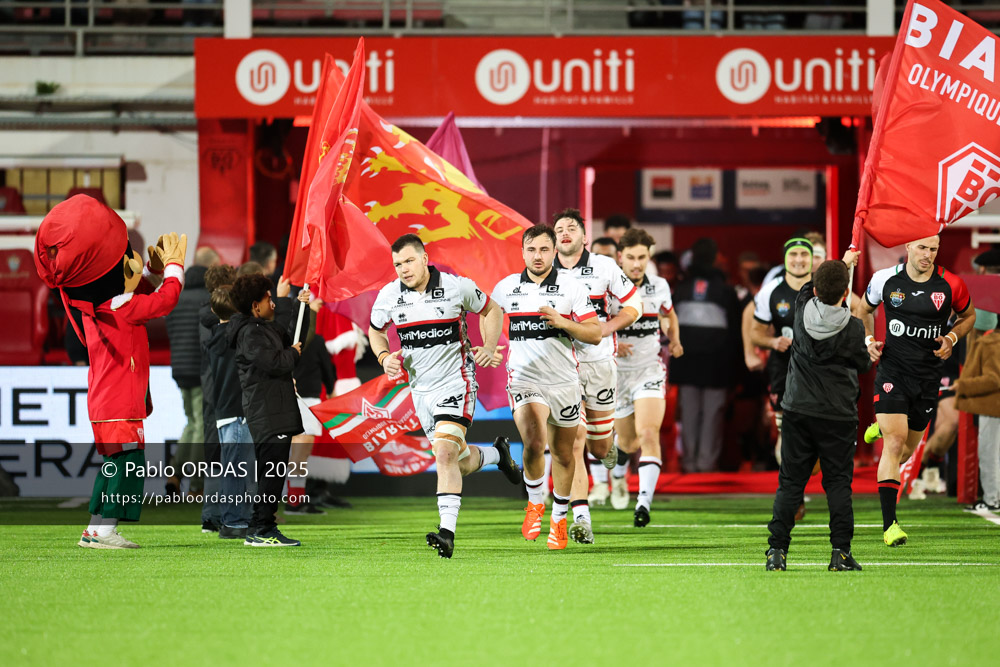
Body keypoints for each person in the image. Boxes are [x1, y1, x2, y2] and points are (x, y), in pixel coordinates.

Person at [369, 234, 521, 559]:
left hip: (457, 382)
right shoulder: (388, 296)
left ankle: (447, 534)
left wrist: (490, 347)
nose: (404, 269)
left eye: (409, 261)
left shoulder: (456, 287)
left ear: (425, 258)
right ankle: (497, 455)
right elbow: (376, 329)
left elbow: (492, 310)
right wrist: (384, 357)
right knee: (458, 462)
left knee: (445, 454)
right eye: (398, 264)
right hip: (420, 391)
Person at [858, 235, 975, 547]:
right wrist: (869, 342)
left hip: (928, 378)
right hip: (893, 371)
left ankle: (878, 428)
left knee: (906, 452)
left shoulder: (951, 284)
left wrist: (951, 339)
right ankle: (890, 524)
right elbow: (863, 310)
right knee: (894, 445)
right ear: (907, 247)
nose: (928, 254)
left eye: (933, 249)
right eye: (922, 247)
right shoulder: (884, 280)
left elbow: (969, 316)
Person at [491, 224, 601, 551]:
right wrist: (487, 344)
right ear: (522, 252)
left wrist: (564, 322)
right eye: (531, 250)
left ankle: (559, 518)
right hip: (524, 378)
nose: (537, 256)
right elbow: (490, 317)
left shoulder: (571, 287)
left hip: (565, 381)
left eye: (543, 249)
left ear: (554, 252)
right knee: (534, 441)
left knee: (565, 453)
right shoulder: (507, 287)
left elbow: (595, 333)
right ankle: (535, 504)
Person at [765, 255, 870, 572]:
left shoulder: (800, 309)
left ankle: (776, 553)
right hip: (838, 415)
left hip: (798, 410)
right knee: (838, 485)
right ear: (844, 294)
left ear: (815, 290)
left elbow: (812, 286)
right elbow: (864, 365)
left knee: (790, 484)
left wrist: (842, 262)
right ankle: (840, 554)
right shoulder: (853, 329)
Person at [552, 209, 641, 545]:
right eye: (558, 229)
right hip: (560, 368)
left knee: (598, 445)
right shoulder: (543, 271)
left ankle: (609, 448)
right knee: (573, 442)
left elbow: (634, 306)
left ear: (584, 236)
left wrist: (606, 327)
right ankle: (581, 519)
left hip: (600, 363)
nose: (564, 233)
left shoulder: (604, 266)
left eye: (571, 228)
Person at [228, 273, 308, 547]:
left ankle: (260, 527)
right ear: (255, 305)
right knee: (271, 473)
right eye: (269, 298)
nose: (272, 302)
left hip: (275, 408)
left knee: (272, 472)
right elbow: (276, 361)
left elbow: (291, 340)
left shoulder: (261, 328)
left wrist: (301, 307)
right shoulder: (250, 333)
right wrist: (293, 355)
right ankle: (262, 529)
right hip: (267, 410)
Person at [611, 228, 683, 525]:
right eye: (631, 257)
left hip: (649, 370)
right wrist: (614, 341)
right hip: (616, 374)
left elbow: (668, 314)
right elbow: (589, 325)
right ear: (620, 258)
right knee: (626, 443)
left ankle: (643, 503)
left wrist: (675, 338)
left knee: (649, 433)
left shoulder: (660, 286)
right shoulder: (606, 288)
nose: (637, 263)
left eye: (642, 257)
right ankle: (617, 475)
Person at [669, 238, 740, 472]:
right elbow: (735, 335)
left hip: (686, 364)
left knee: (688, 414)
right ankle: (706, 465)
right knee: (712, 416)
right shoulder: (726, 290)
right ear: (714, 258)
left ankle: (689, 465)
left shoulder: (681, 288)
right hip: (717, 365)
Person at [164, 246, 219, 503]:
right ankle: (197, 484)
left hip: (180, 368)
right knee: (200, 425)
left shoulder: (177, 299)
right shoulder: (208, 302)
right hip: (201, 369)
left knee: (191, 422)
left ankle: (174, 474)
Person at [205, 284, 257, 540]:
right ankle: (235, 521)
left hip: (226, 411)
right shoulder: (238, 338)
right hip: (238, 411)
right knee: (238, 469)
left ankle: (235, 519)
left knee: (234, 468)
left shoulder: (215, 336)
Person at [955, 319, 1000, 512]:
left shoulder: (990, 343)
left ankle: (992, 500)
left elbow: (993, 379)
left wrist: (963, 385)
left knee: (989, 454)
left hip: (992, 406)